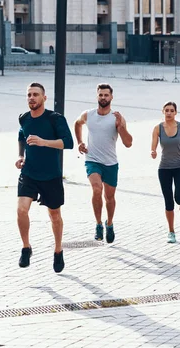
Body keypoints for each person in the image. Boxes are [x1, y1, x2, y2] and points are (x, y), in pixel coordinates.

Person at [16, 82, 74, 273]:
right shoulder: (23, 118)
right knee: (21, 210)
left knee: (54, 216)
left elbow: (68, 143)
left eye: (35, 94)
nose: (31, 98)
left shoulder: (55, 119)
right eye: (29, 95)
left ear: (44, 98)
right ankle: (26, 248)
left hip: (51, 176)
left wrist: (43, 142)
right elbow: (21, 137)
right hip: (29, 173)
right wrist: (20, 156)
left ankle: (58, 250)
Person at [74, 83, 132, 243]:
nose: (103, 98)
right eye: (101, 95)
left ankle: (110, 224)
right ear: (97, 96)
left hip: (111, 163)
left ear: (111, 97)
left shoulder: (117, 117)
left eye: (106, 95)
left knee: (110, 198)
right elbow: (77, 123)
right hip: (92, 160)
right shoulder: (88, 115)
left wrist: (120, 127)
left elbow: (128, 143)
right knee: (96, 189)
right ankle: (98, 224)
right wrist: (79, 142)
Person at [151, 102, 180, 243]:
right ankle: (171, 232)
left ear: (176, 112)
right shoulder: (157, 129)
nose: (169, 113)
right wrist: (153, 151)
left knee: (178, 197)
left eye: (172, 110)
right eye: (167, 110)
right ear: (163, 111)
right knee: (168, 201)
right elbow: (153, 146)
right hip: (164, 168)